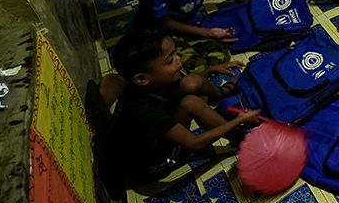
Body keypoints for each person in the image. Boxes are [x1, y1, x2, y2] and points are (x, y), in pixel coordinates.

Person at [106, 29, 258, 184]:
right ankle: (243, 141)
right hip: (152, 166)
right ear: (142, 78)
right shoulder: (144, 111)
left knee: (191, 82)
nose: (178, 59)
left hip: (154, 133)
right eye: (170, 60)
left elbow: (190, 83)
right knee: (192, 103)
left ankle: (221, 93)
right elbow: (195, 143)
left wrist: (211, 69)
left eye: (176, 53)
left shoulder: (149, 85)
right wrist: (239, 120)